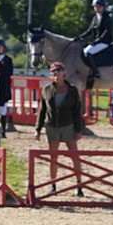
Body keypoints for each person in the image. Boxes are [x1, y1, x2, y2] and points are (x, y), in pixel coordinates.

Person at [35, 62, 85, 196]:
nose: (55, 73)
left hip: (68, 125)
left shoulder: (72, 89)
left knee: (75, 156)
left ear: (64, 72)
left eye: (57, 70)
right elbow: (42, 110)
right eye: (52, 71)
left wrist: (79, 130)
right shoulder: (47, 89)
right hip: (52, 126)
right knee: (53, 157)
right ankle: (53, 185)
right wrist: (38, 129)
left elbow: (77, 111)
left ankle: (79, 185)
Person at [75, 0, 113, 88]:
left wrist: (97, 41)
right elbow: (89, 31)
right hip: (98, 41)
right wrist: (80, 37)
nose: (96, 8)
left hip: (105, 42)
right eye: (95, 6)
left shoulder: (107, 18)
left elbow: (107, 32)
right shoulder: (95, 18)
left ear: (103, 7)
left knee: (88, 52)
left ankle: (95, 72)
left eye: (98, 6)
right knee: (84, 50)